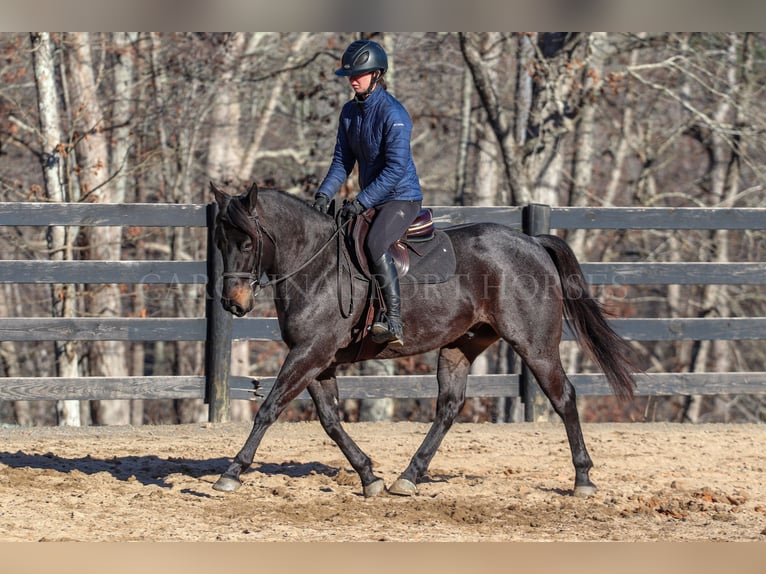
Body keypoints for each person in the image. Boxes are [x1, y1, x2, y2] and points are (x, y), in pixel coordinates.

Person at [312, 39, 422, 348]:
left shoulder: (394, 114)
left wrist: (361, 201)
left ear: (377, 74)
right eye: (350, 74)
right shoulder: (349, 112)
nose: (352, 79)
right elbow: (342, 162)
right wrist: (323, 194)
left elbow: (396, 169)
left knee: (374, 243)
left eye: (359, 73)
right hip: (373, 197)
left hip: (401, 197)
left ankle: (394, 320)